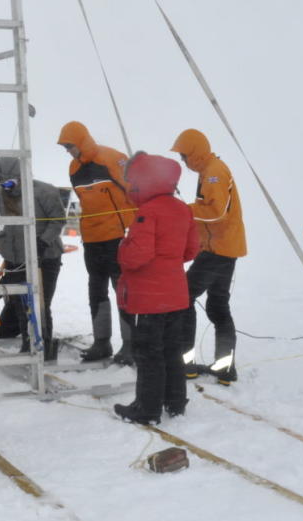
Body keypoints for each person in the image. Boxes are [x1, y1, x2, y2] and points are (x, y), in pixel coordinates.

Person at [112, 152, 200, 424]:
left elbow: (135, 257)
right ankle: (175, 403)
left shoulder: (148, 212)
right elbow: (191, 250)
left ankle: (147, 409)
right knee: (172, 351)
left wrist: (123, 247)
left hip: (148, 297)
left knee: (149, 355)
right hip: (174, 294)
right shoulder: (182, 208)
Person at [0, 157, 65, 360]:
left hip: (44, 258)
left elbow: (58, 219)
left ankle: (42, 345)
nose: (6, 187)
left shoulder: (44, 192)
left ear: (21, 177)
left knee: (39, 303)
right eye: (1, 183)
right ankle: (26, 341)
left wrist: (43, 241)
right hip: (15, 258)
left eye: (9, 183)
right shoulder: (2, 195)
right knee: (19, 301)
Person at [171, 128, 247, 385]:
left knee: (184, 297)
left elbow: (215, 212)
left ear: (194, 152)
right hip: (224, 248)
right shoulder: (209, 170)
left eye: (183, 156)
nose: (182, 161)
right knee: (218, 307)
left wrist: (181, 210)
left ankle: (185, 364)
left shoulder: (214, 172)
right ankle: (225, 368)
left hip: (218, 250)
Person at [57, 121, 135, 363]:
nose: (69, 151)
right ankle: (102, 343)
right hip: (92, 239)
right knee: (96, 291)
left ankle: (131, 345)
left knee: (122, 292)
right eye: (66, 147)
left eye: (70, 146)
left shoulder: (112, 158)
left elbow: (135, 191)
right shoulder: (73, 169)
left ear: (81, 141)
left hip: (118, 238)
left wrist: (138, 228)